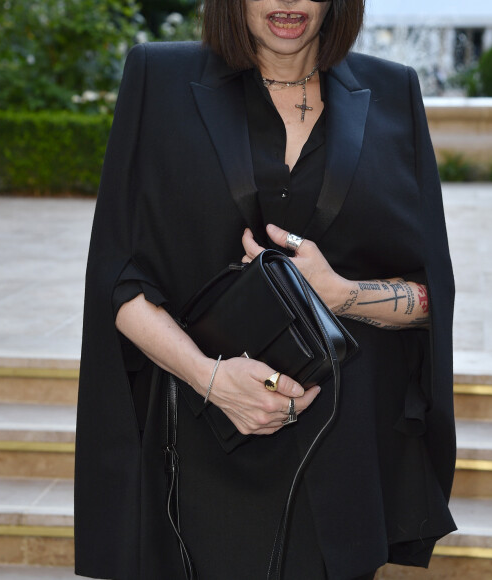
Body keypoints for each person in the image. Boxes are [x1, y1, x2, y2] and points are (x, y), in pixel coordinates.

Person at [74, 1, 456, 579]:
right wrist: (212, 379)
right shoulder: (157, 77)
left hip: (344, 451)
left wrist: (340, 293)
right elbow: (117, 276)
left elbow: (432, 295)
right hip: (203, 442)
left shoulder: (394, 90)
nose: (289, 2)